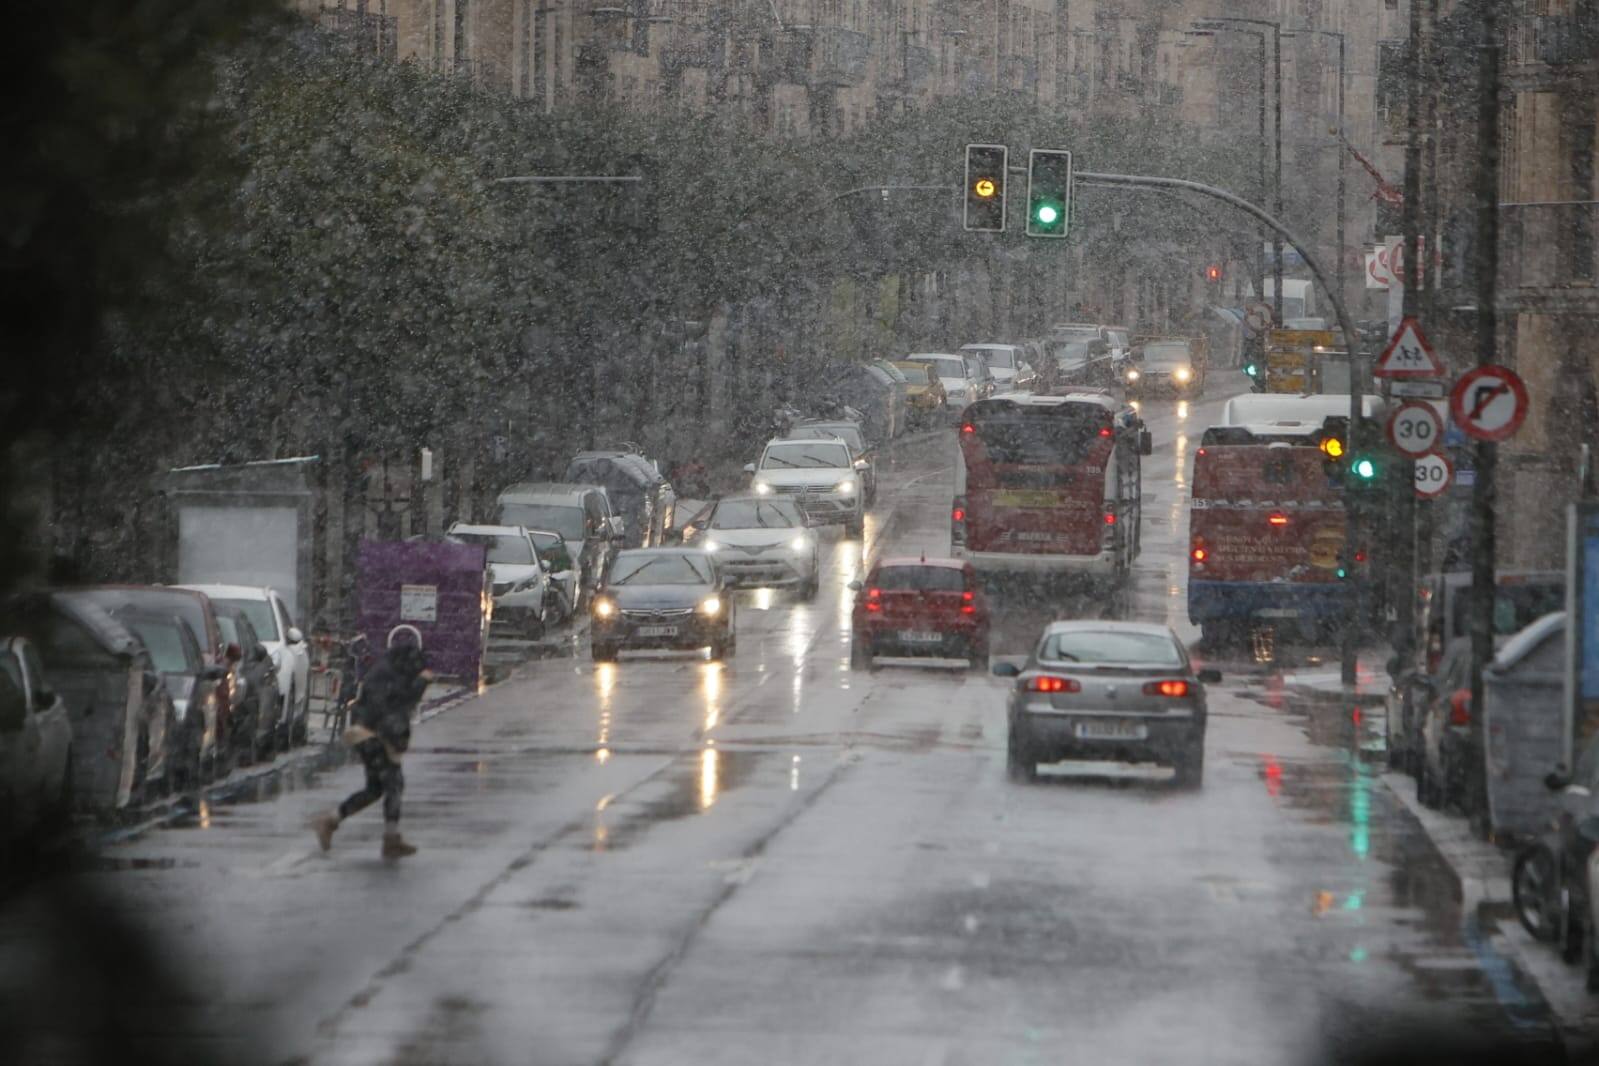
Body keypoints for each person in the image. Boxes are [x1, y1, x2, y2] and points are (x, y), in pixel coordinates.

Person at [311, 643, 431, 859]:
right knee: (392, 783)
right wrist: (420, 683)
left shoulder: (389, 671)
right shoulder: (386, 675)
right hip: (371, 735)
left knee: (376, 788)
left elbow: (398, 703)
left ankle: (332, 821)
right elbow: (397, 704)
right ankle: (389, 839)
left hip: (374, 735)